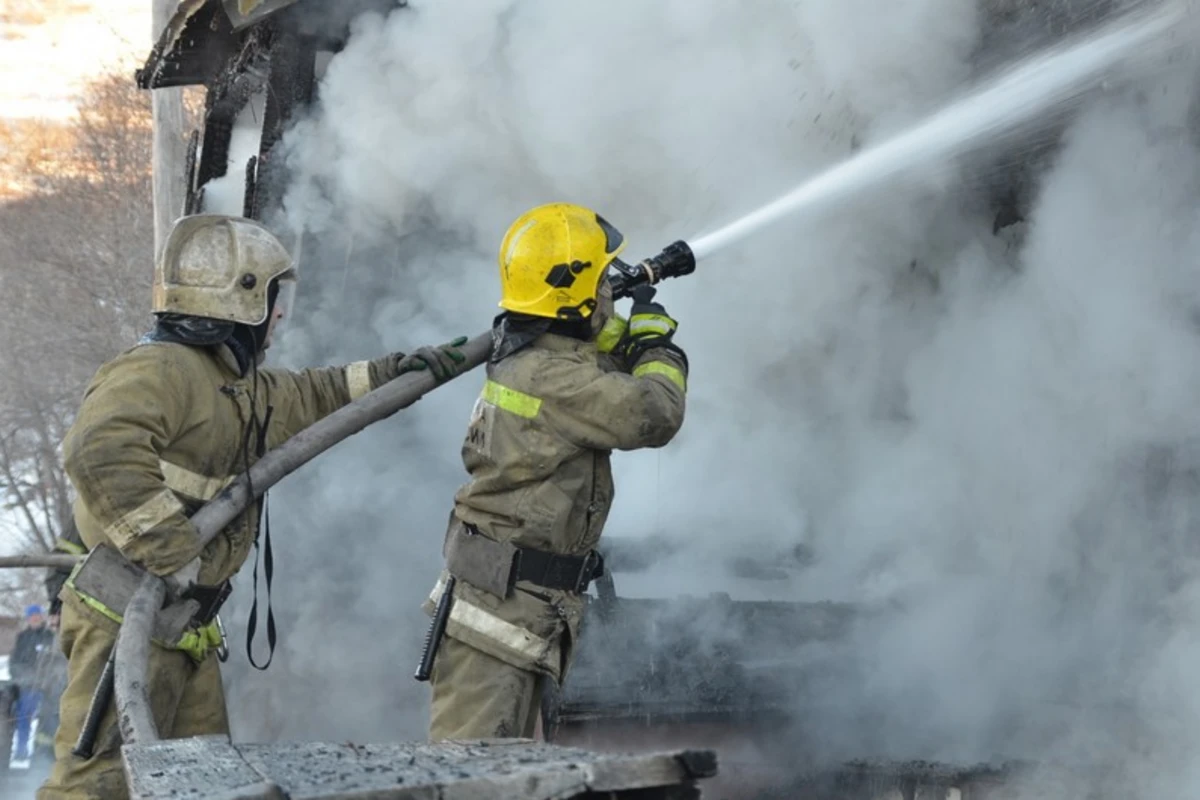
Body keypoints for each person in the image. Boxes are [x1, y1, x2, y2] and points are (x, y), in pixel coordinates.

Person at [39, 213, 467, 799]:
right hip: (126, 623)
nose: (280, 314)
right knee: (98, 787)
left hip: (183, 629)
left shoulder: (238, 386)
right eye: (271, 298)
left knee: (206, 783)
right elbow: (97, 446)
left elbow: (321, 393)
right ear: (238, 304)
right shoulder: (160, 370)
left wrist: (403, 372)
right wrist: (171, 547)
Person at [422, 203, 689, 741]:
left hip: (516, 612)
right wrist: (657, 345)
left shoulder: (531, 355)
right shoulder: (553, 380)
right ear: (579, 295)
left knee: (502, 782)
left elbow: (581, 361)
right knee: (473, 785)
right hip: (500, 620)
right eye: (604, 284)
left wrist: (613, 336)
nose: (611, 294)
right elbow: (656, 414)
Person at [11, 604, 55, 764]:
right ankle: (21, 751)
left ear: (41, 617)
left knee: (46, 720)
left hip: (46, 688)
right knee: (23, 718)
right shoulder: (22, 637)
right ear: (28, 618)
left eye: (37, 615)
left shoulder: (49, 636)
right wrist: (20, 677)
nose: (35, 618)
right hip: (27, 686)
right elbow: (15, 661)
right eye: (32, 616)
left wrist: (47, 679)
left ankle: (42, 755)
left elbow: (54, 661)